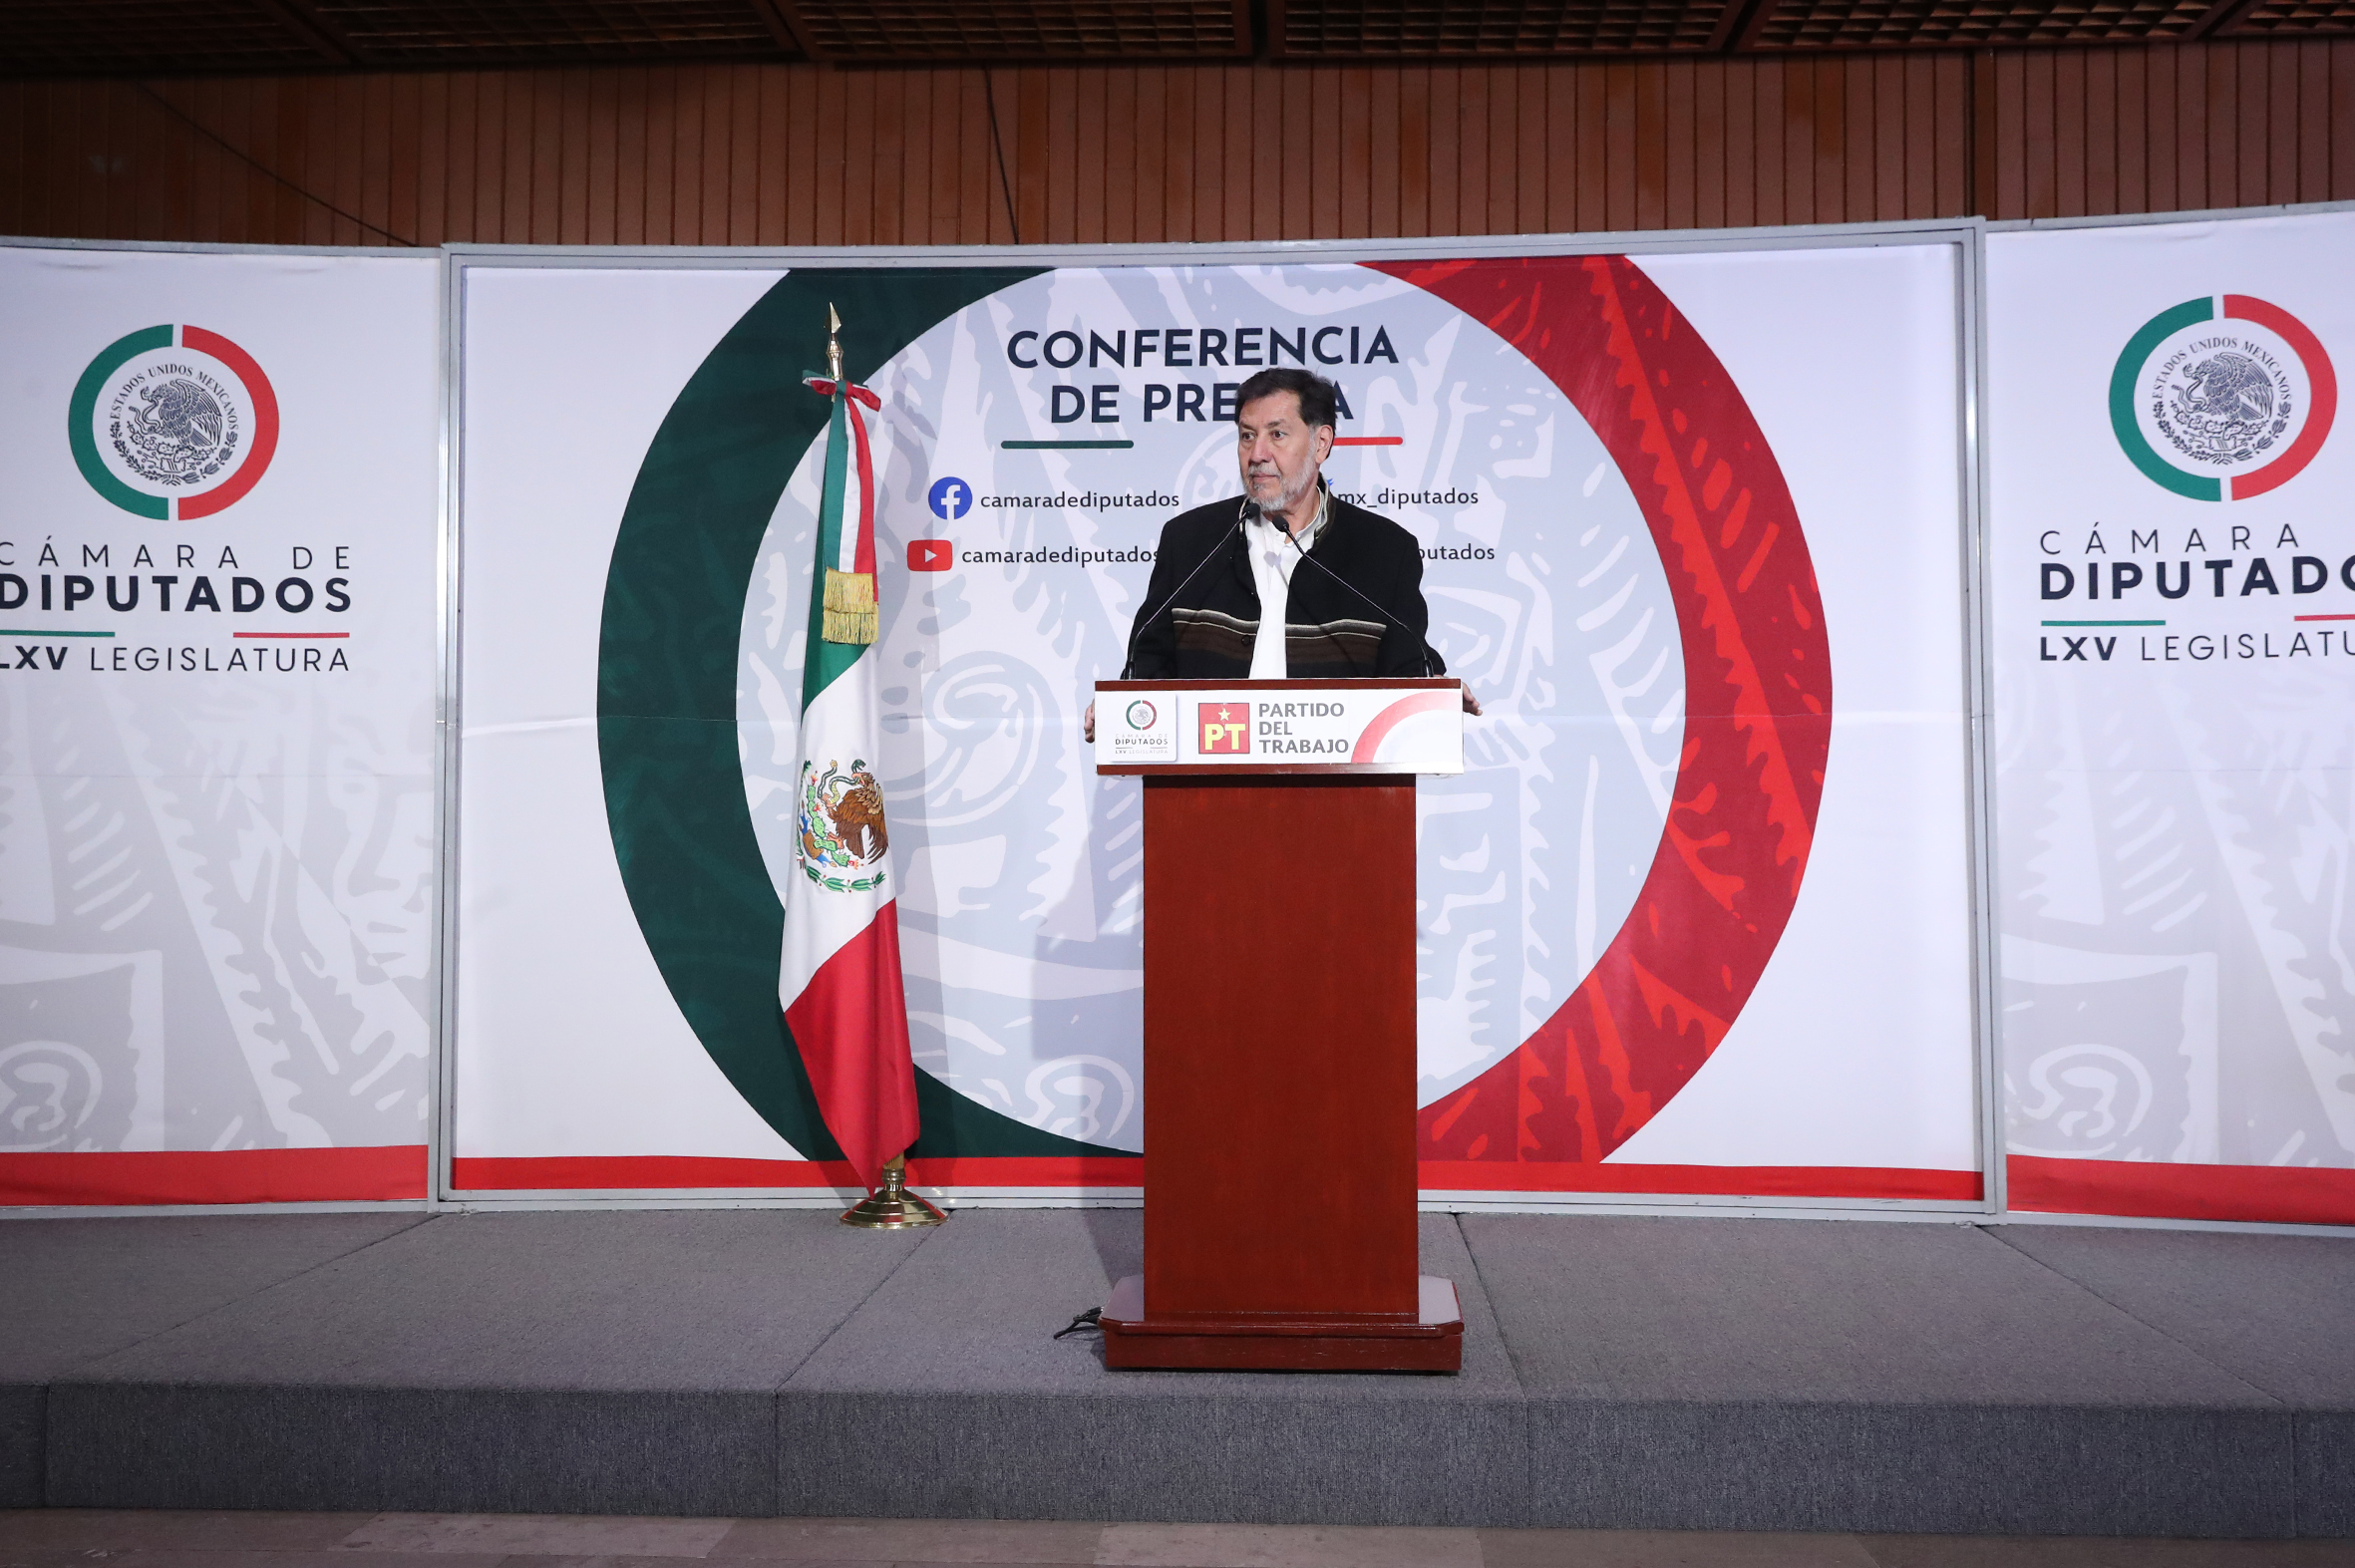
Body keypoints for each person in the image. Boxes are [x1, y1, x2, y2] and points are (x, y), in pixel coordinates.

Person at [1085, 366, 1479, 739]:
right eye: (1247, 436)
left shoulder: (1384, 549)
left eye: (1277, 435)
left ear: (1321, 443)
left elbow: (1406, 667)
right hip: (1209, 771)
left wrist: (1432, 693)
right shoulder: (1191, 540)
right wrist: (1124, 708)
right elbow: (1148, 662)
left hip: (1338, 777)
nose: (1257, 454)